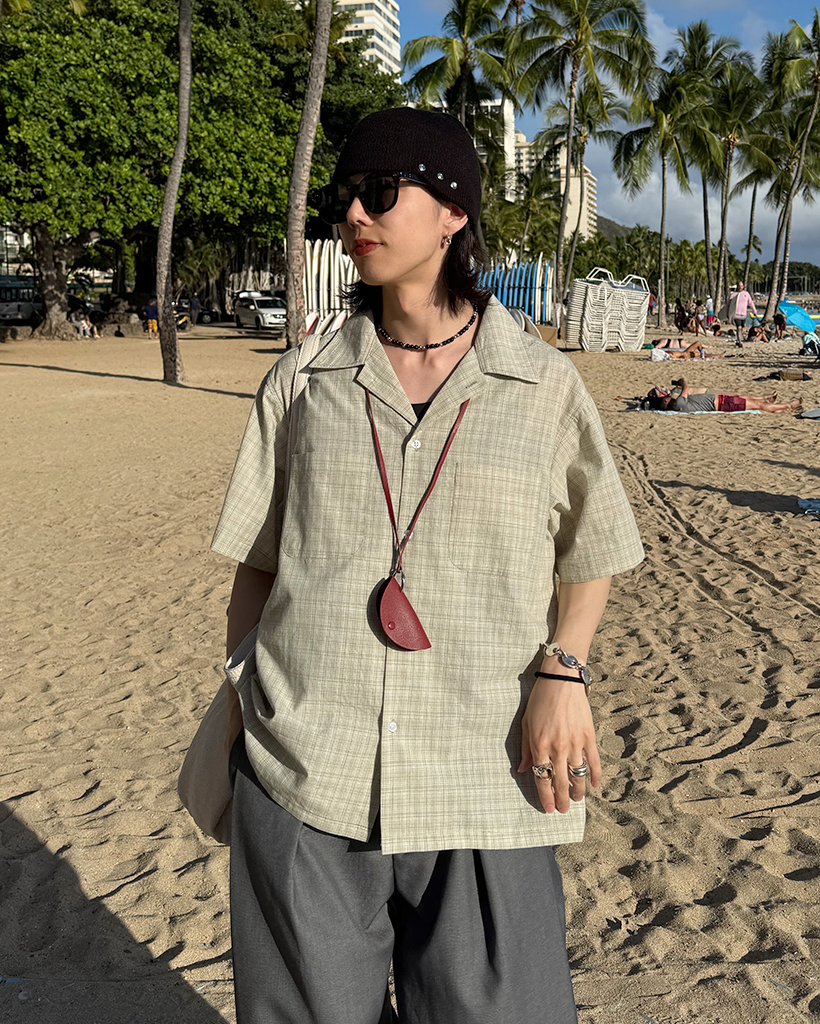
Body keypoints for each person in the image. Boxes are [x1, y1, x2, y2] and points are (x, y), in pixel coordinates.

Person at [210, 107, 644, 1024]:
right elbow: (258, 562)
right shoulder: (303, 382)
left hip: (484, 767)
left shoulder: (542, 386)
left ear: (452, 212)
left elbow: (593, 548)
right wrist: (250, 691)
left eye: (379, 192)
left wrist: (564, 669)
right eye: (344, 196)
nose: (353, 215)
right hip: (308, 772)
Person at [646, 376, 801, 413]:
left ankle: (771, 402)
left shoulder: (676, 403)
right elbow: (685, 386)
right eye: (665, 397)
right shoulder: (678, 404)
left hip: (720, 400)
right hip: (722, 404)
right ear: (665, 401)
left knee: (748, 399)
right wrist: (681, 381)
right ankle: (788, 405)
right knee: (757, 405)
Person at [650, 337, 729, 360]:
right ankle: (718, 355)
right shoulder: (664, 343)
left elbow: (657, 348)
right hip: (684, 352)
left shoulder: (665, 348)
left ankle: (717, 355)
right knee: (698, 345)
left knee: (700, 351)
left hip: (684, 352)